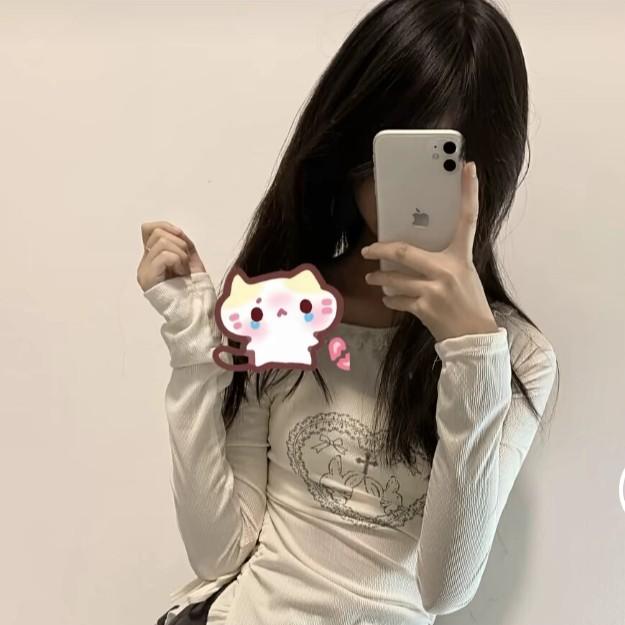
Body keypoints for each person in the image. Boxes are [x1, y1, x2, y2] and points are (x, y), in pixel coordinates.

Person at [137, 0, 560, 623]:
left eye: (436, 157)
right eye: (392, 152)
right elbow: (219, 551)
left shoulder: (514, 357)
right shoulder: (290, 306)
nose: (404, 190)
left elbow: (444, 589)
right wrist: (193, 344)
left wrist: (471, 353)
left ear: (486, 167)